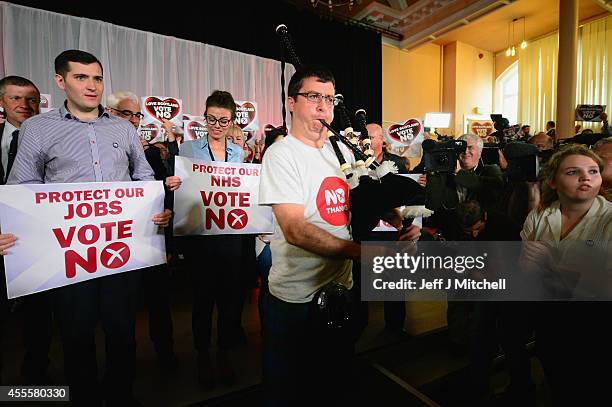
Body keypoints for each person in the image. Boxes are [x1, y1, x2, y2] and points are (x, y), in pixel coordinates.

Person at [7, 49, 171, 406]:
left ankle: (120, 394)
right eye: (81, 77)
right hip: (69, 253)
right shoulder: (37, 128)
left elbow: (143, 177)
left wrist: (157, 210)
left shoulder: (122, 129)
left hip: (120, 251)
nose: (92, 85)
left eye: (97, 78)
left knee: (122, 332)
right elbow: (22, 186)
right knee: (76, 334)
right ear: (60, 81)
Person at [259, 65, 419, 406]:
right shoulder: (281, 154)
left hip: (339, 290)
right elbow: (295, 230)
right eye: (313, 96)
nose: (323, 106)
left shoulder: (341, 151)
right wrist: (361, 253)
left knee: (331, 379)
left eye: (329, 99)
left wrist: (401, 219)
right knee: (288, 387)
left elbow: (364, 197)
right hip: (295, 297)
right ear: (291, 103)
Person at [520, 144, 612, 406]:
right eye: (573, 172)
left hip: (597, 327)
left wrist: (552, 264)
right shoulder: (540, 216)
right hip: (549, 319)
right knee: (558, 382)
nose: (586, 177)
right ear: (552, 181)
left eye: (593, 171)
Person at [177, 90, 252, 388]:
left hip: (231, 235)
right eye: (211, 119)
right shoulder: (188, 149)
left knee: (230, 299)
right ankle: (203, 355)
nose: (217, 125)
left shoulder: (238, 153)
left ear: (233, 121)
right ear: (204, 117)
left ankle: (223, 352)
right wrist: (174, 184)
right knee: (202, 299)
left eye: (223, 120)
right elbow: (182, 190)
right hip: (201, 237)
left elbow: (243, 192)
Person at [106, 90, 179, 370]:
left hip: (150, 239)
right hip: (114, 243)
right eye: (127, 113)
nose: (134, 120)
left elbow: (162, 192)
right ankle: (123, 371)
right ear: (110, 113)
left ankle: (167, 356)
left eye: (137, 114)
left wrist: (168, 211)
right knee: (121, 313)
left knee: (160, 304)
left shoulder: (150, 152)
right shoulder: (97, 151)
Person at [0, 75, 54, 385]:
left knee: (38, 317)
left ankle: (36, 373)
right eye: (16, 98)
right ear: (2, 103)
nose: (25, 105)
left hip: (38, 243)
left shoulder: (53, 138)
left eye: (31, 99)